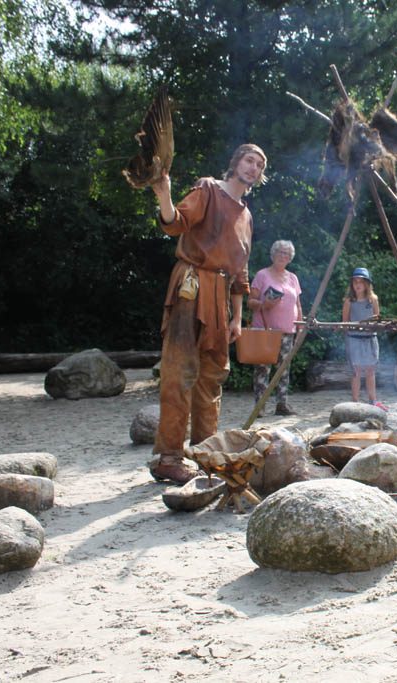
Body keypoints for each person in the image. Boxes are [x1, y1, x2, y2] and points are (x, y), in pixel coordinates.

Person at [149, 143, 266, 484]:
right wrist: (164, 195)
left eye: (259, 165)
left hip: (221, 299)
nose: (254, 168)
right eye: (249, 160)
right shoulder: (209, 189)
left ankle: (203, 453)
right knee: (179, 372)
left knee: (212, 378)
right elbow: (176, 223)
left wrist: (236, 317)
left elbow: (240, 273)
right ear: (235, 162)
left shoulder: (246, 215)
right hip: (192, 286)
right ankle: (168, 458)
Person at [248, 239, 303, 416]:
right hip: (266, 331)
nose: (283, 256)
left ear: (290, 258)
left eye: (286, 254)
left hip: (288, 330)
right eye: (280, 252)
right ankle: (260, 407)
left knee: (284, 368)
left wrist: (300, 324)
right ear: (273, 254)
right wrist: (264, 304)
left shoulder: (293, 278)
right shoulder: (262, 275)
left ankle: (282, 404)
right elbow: (250, 302)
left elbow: (298, 304)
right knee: (263, 368)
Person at [343, 267, 385, 409]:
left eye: (361, 281)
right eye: (355, 281)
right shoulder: (349, 301)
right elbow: (345, 322)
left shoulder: (373, 300)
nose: (358, 284)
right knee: (356, 371)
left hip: (370, 338)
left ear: (367, 284)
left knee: (370, 370)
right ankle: (355, 401)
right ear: (352, 284)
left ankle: (372, 400)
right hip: (354, 338)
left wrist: (371, 325)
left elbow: (377, 319)